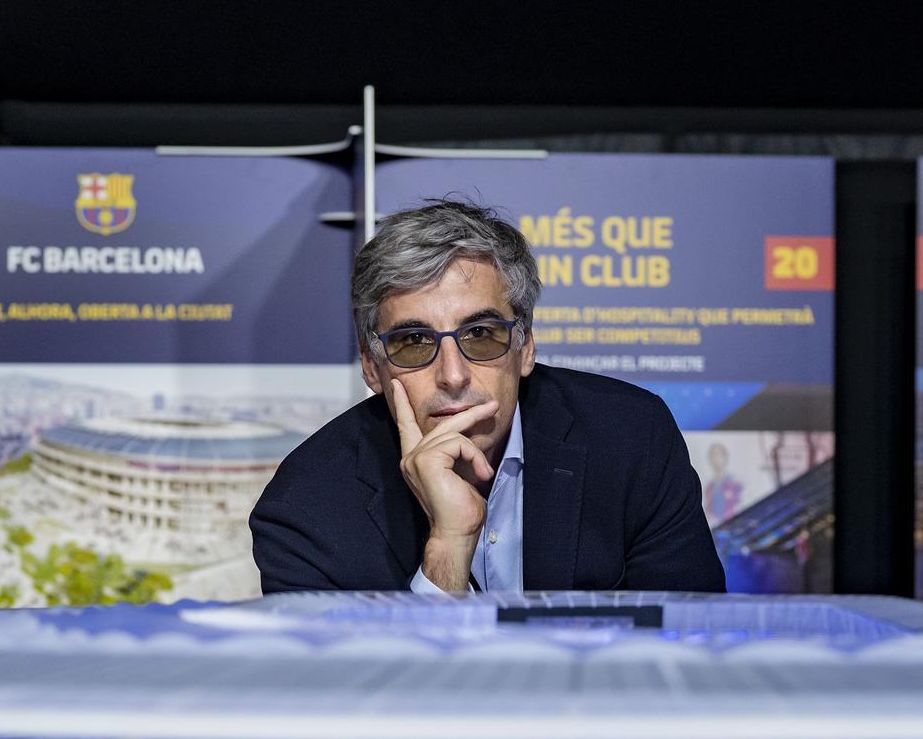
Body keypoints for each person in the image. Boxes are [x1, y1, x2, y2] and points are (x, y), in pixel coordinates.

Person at [250, 198, 725, 594]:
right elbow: (351, 699)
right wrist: (449, 547)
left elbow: (694, 650)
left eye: (480, 333)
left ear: (525, 346)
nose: (453, 375)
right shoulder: (305, 509)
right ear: (372, 366)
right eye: (414, 342)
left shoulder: (630, 437)